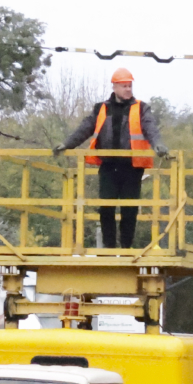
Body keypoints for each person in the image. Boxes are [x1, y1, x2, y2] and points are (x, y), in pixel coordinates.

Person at [55, 68, 168, 249]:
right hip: (108, 166)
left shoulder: (141, 108)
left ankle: (125, 247)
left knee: (129, 210)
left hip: (132, 167)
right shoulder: (101, 108)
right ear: (114, 87)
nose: (128, 90)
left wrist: (158, 144)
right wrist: (67, 144)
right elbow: (85, 128)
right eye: (124, 86)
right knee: (106, 207)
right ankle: (109, 247)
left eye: (130, 86)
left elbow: (151, 128)